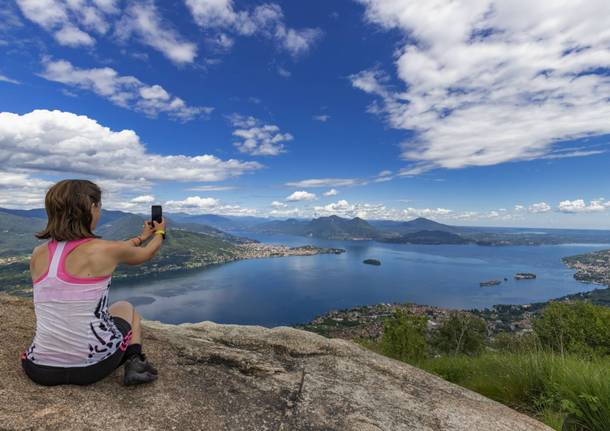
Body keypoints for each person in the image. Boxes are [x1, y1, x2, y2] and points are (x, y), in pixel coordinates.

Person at [20, 179, 167, 386]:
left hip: (40, 369)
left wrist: (141, 237)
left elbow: (118, 248)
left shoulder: (38, 253)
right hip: (92, 368)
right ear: (91, 207)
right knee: (125, 307)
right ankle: (135, 363)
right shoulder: (104, 250)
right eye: (99, 207)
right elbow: (146, 254)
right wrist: (160, 233)